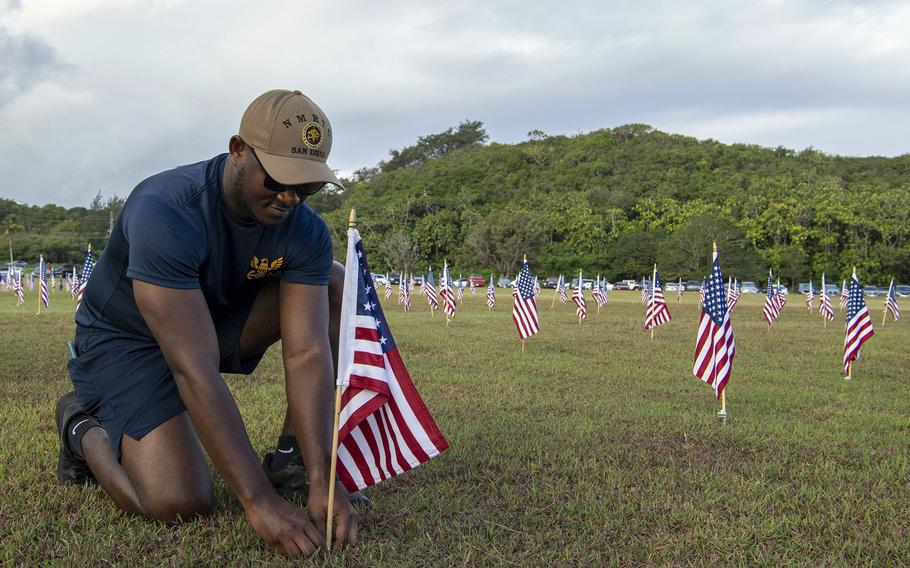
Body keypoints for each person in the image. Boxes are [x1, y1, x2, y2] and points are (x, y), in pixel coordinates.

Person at [55, 89, 361, 557]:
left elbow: (307, 351)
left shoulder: (306, 230)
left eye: (307, 186)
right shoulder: (165, 209)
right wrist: (257, 499)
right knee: (179, 500)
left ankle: (291, 463)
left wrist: (324, 477)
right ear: (238, 149)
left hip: (207, 322)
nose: (289, 198)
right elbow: (193, 368)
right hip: (126, 342)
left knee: (334, 282)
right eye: (279, 178)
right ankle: (79, 425)